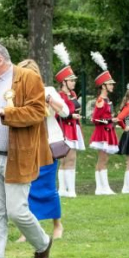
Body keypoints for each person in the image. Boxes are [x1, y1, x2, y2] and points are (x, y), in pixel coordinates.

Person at [0, 44, 53, 258]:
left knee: (17, 212)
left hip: (17, 156)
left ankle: (43, 243)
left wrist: (6, 113)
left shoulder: (27, 78)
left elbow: (38, 112)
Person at [18, 59, 67, 241]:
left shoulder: (48, 91)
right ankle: (28, 230)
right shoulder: (16, 94)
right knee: (27, 188)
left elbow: (65, 112)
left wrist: (48, 100)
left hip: (47, 146)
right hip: (26, 146)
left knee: (47, 186)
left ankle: (57, 224)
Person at [53, 43, 83, 198]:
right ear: (63, 82)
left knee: (72, 158)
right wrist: (71, 116)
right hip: (64, 129)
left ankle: (70, 189)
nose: (74, 82)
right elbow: (57, 113)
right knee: (65, 159)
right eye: (71, 80)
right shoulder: (59, 95)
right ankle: (64, 190)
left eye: (74, 80)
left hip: (74, 128)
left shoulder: (73, 94)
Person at [89, 51, 118, 195]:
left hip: (108, 131)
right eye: (110, 83)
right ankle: (101, 187)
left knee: (104, 159)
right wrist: (110, 120)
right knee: (102, 159)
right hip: (102, 133)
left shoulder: (107, 100)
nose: (112, 85)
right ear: (103, 86)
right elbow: (95, 119)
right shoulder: (100, 100)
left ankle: (103, 187)